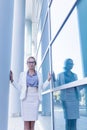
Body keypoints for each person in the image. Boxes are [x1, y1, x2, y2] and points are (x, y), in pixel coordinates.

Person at [10, 56, 51, 130]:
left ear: (35, 64)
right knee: (26, 123)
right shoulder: (22, 74)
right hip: (25, 98)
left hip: (35, 98)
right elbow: (20, 88)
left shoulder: (39, 75)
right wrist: (12, 81)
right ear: (27, 64)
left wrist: (48, 80)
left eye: (33, 62)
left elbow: (41, 88)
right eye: (29, 62)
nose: (31, 64)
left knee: (32, 124)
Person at [57, 58, 80, 130]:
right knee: (68, 120)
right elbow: (57, 85)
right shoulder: (60, 75)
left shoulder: (75, 75)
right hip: (66, 99)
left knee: (74, 120)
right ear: (66, 64)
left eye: (72, 64)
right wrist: (53, 79)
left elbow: (77, 87)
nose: (71, 65)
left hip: (75, 99)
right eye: (69, 63)